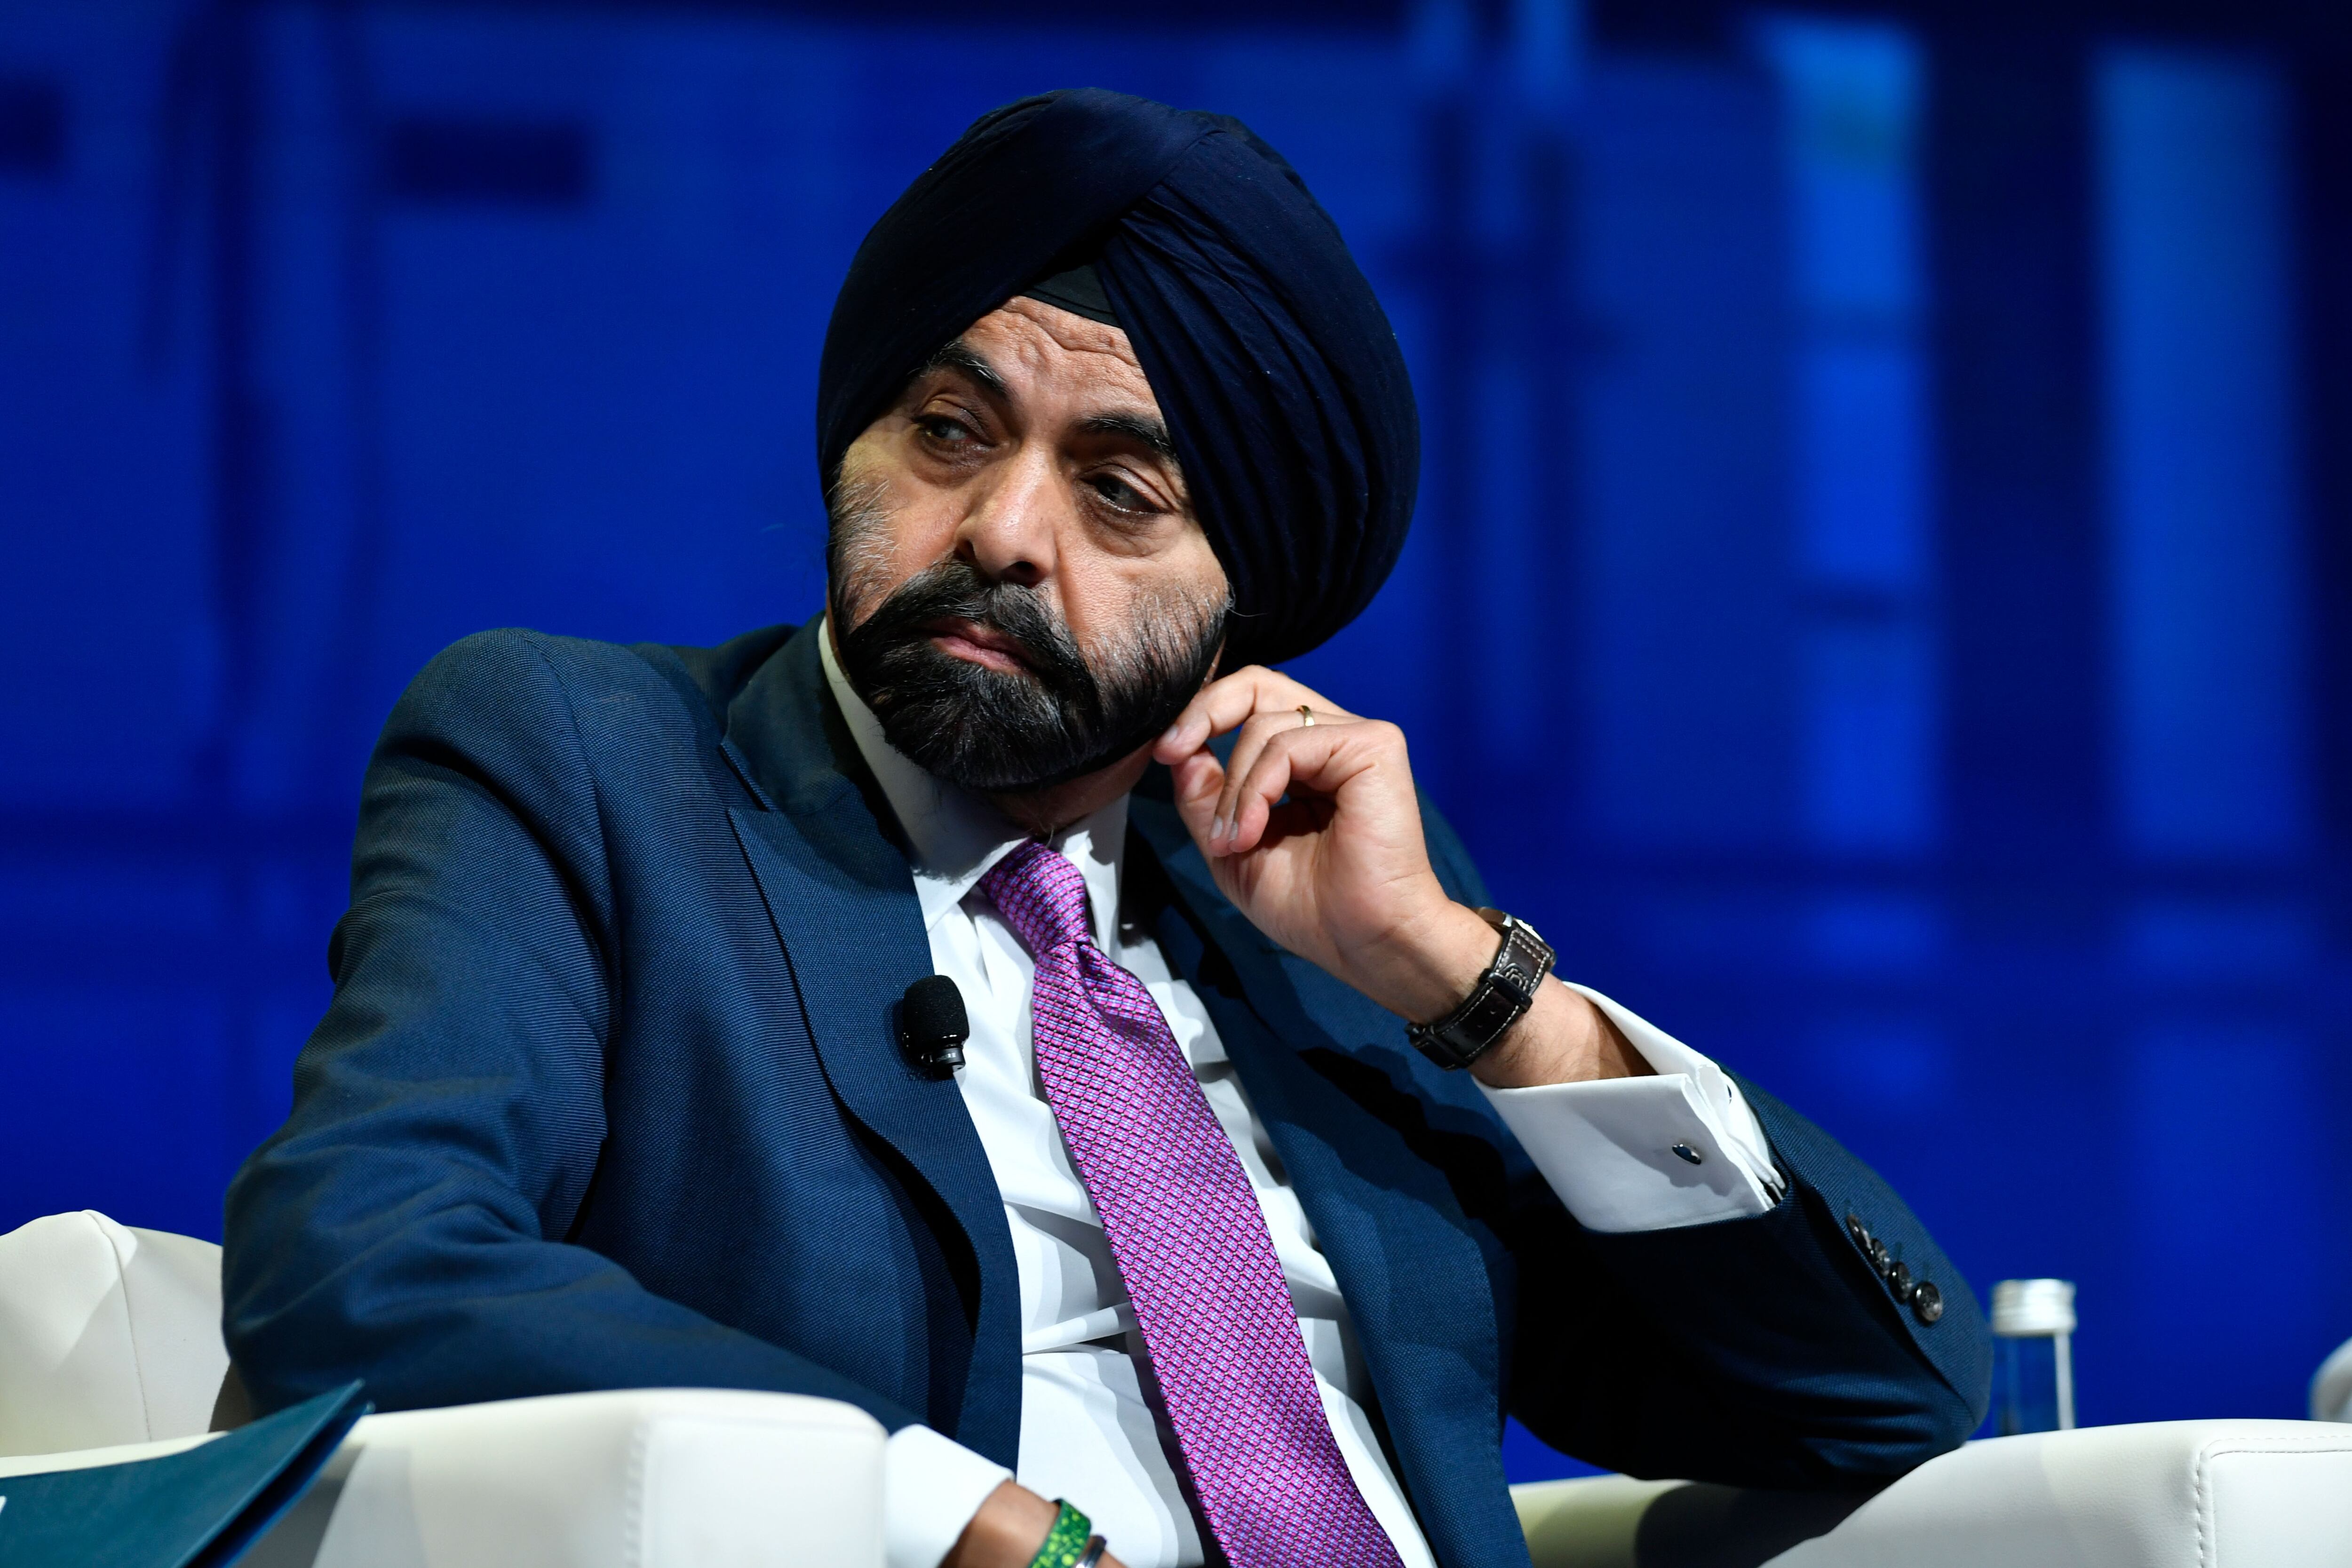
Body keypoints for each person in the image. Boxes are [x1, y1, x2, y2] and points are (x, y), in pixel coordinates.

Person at [222, 88, 1988, 1568]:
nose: (997, 530)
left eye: (1120, 492)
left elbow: (1875, 1401)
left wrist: (1473, 986)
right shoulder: (592, 763)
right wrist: (926, 1509)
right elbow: (367, 1256)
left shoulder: (1321, 917)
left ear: (1244, 611)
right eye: (946, 431)